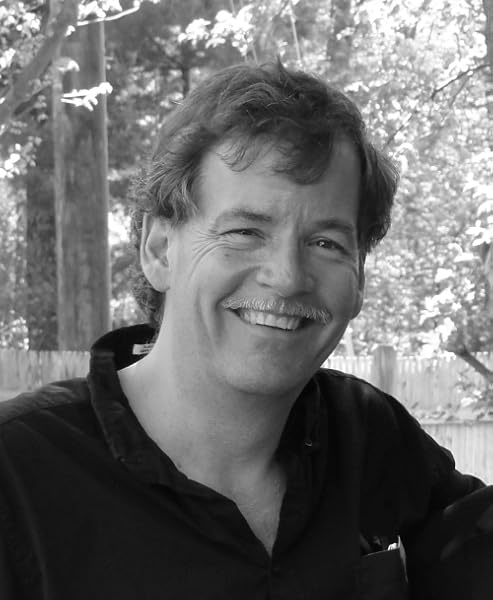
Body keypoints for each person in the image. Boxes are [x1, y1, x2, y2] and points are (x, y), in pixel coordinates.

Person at [0, 61, 492, 600]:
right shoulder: (19, 478)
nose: (288, 276)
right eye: (245, 231)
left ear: (359, 278)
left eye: (326, 243)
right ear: (159, 250)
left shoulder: (371, 442)